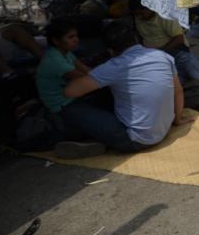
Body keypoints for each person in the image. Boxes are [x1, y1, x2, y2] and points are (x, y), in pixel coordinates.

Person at [58, 21, 185, 158]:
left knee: (70, 110)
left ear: (111, 51)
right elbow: (178, 91)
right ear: (136, 39)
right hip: (162, 131)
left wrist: (83, 70)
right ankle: (100, 142)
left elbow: (69, 91)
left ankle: (95, 141)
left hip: (133, 140)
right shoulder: (162, 56)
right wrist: (177, 120)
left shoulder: (115, 65)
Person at [131, 1, 199, 84]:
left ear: (149, 8)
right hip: (155, 58)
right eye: (137, 14)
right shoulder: (138, 18)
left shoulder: (165, 15)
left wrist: (161, 52)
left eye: (141, 13)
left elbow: (179, 39)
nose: (139, 16)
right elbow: (140, 38)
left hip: (174, 52)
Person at [35, 18, 92, 117]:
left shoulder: (65, 52)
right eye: (70, 37)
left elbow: (85, 69)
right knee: (113, 129)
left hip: (71, 95)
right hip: (62, 105)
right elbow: (89, 79)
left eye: (76, 36)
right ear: (56, 41)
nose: (76, 40)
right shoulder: (55, 61)